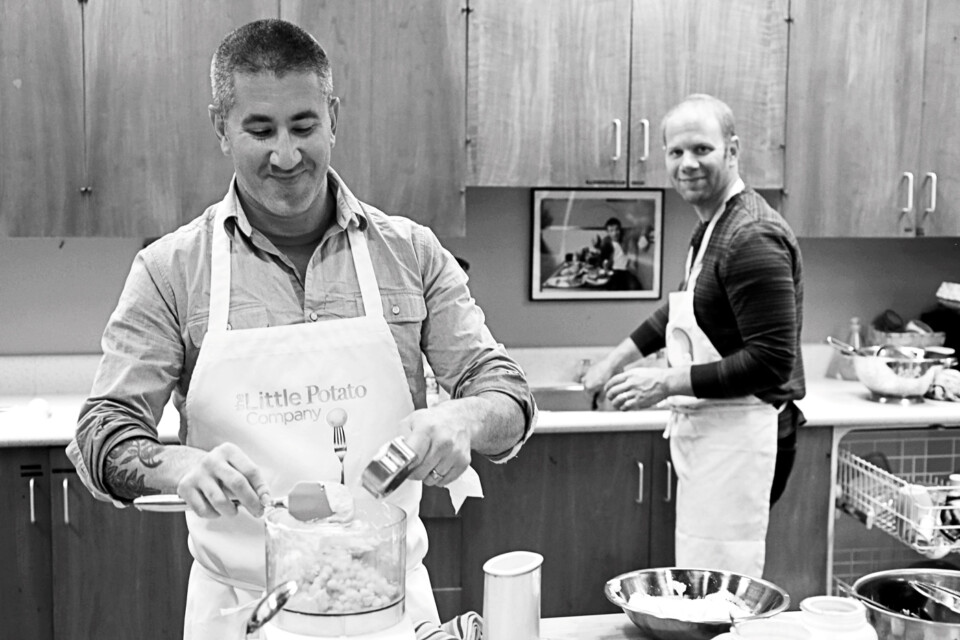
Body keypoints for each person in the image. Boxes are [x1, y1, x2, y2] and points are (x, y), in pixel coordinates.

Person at [66, 18, 536, 638]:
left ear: (333, 116)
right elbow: (102, 434)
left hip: (387, 609)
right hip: (243, 614)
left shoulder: (411, 253)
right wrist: (180, 468)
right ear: (220, 127)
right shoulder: (172, 271)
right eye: (259, 130)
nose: (285, 155)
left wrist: (462, 421)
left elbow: (507, 391)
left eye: (304, 126)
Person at [582, 94, 805, 579]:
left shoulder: (752, 237)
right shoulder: (714, 225)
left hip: (747, 433)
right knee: (705, 576)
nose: (687, 164)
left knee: (724, 584)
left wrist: (663, 384)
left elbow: (771, 362)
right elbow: (684, 308)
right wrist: (615, 359)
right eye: (676, 152)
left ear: (732, 149)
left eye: (702, 149)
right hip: (721, 429)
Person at [596, 217, 643, 290]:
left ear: (620, 229)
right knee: (612, 288)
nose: (614, 233)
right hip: (613, 272)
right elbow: (602, 259)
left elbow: (644, 228)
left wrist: (645, 236)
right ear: (608, 232)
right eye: (611, 231)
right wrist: (605, 264)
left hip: (627, 271)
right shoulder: (605, 242)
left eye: (616, 229)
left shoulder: (626, 239)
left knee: (635, 287)